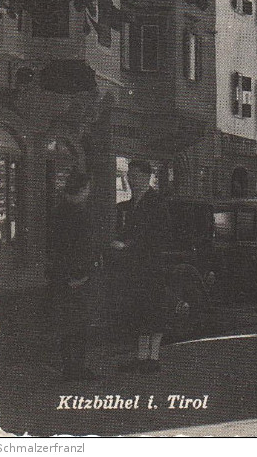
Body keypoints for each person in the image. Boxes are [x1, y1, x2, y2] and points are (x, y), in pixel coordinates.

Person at [112, 160, 170, 374]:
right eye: (129, 175)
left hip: (151, 267)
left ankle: (152, 359)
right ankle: (142, 358)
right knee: (139, 312)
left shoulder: (156, 203)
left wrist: (128, 245)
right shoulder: (132, 203)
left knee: (152, 312)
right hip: (135, 267)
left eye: (134, 175)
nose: (130, 179)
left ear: (146, 177)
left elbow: (156, 236)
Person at [48, 169, 98, 381]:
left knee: (67, 324)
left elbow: (54, 248)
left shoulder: (58, 211)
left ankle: (69, 367)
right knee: (78, 325)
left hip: (60, 277)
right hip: (76, 277)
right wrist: (81, 275)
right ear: (83, 189)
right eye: (88, 188)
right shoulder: (79, 213)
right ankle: (76, 368)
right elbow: (80, 249)